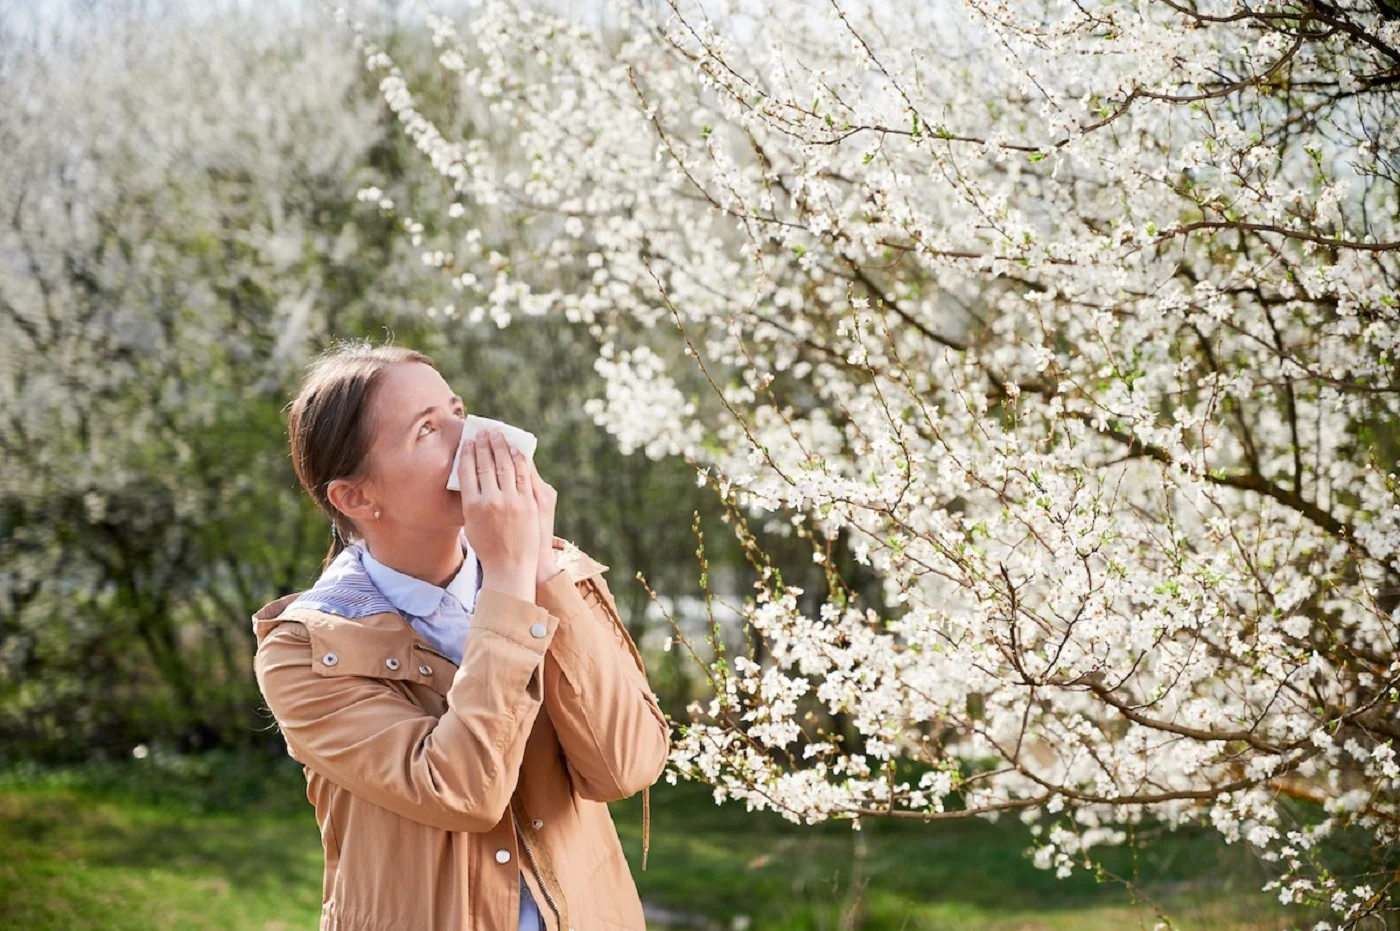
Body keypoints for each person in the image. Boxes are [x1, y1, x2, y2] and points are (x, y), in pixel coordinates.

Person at [250, 340, 670, 931]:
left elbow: (626, 767)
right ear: (356, 496)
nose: (473, 438)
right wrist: (508, 581)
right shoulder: (305, 652)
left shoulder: (553, 575)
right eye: (427, 429)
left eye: (457, 410)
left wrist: (540, 572)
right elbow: (461, 791)